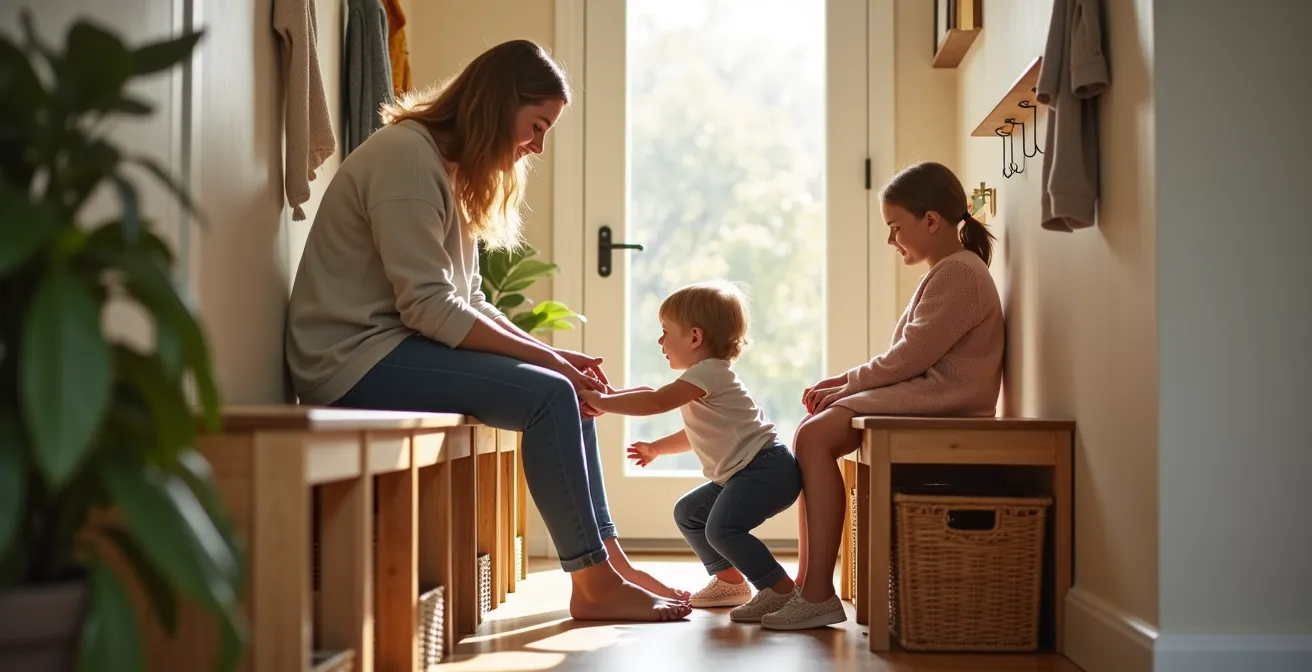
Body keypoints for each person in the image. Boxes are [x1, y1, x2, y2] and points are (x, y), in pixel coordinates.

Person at [284, 39, 691, 622]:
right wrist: (551, 365)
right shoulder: (406, 157)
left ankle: (609, 563)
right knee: (553, 393)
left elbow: (468, 298)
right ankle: (594, 586)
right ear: (498, 105)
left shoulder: (446, 168)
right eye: (536, 125)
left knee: (569, 390)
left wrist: (555, 355)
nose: (538, 145)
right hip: (348, 360)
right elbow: (429, 307)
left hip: (391, 347)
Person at [759, 161, 1006, 630]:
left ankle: (815, 592)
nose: (892, 240)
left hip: (945, 400)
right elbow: (908, 358)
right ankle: (806, 584)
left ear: (930, 221)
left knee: (814, 437)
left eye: (896, 228)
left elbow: (908, 358)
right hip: (932, 393)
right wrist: (843, 385)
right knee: (811, 433)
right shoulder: (950, 270)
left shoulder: (958, 274)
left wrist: (845, 385)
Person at [579, 280, 803, 623]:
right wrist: (656, 448)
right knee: (689, 512)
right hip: (747, 471)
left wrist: (603, 401)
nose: (660, 341)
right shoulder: (705, 378)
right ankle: (730, 583)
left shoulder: (708, 373)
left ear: (695, 338)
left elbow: (655, 401)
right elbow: (696, 433)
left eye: (666, 331)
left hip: (765, 469)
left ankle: (782, 592)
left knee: (722, 529)